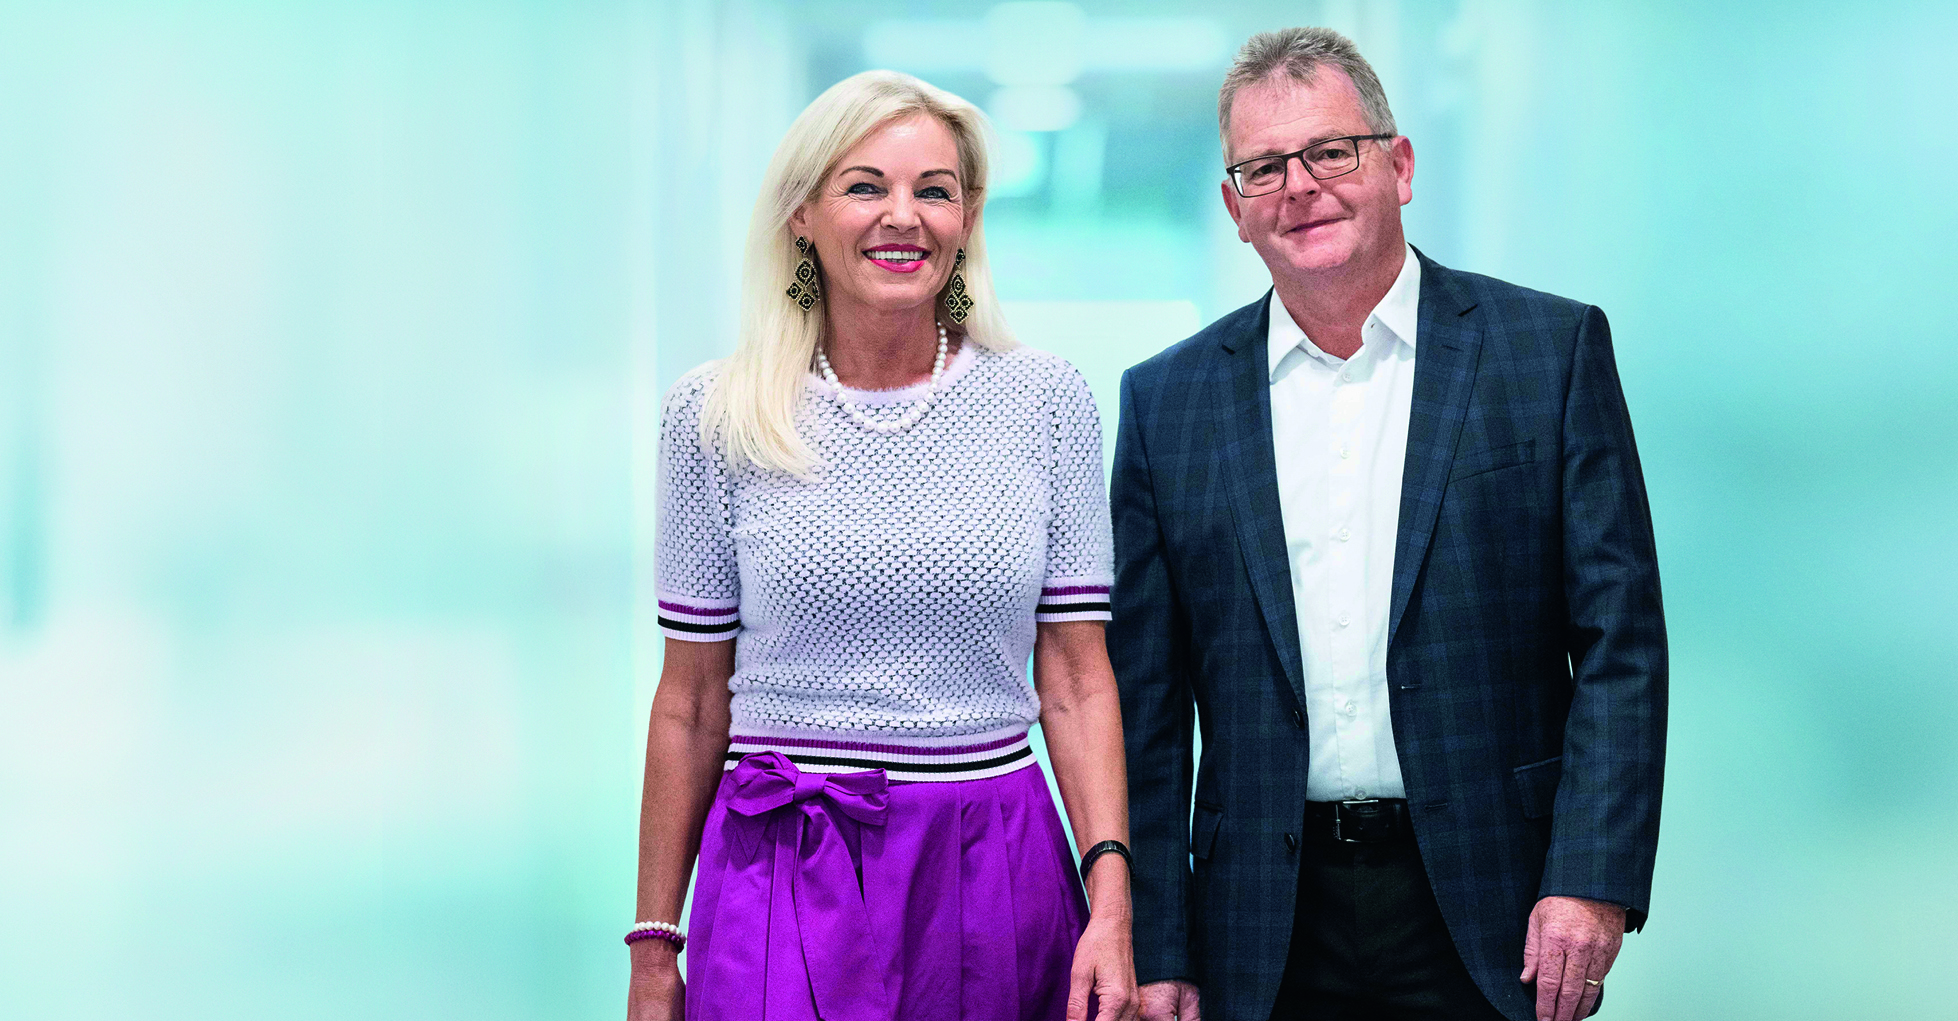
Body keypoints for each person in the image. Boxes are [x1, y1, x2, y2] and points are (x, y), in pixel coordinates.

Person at [1111, 27, 1666, 1021]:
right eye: (1263, 168)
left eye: (1331, 151)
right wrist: (1159, 944)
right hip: (1260, 923)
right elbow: (1144, 707)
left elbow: (1619, 645)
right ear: (1235, 209)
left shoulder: (1546, 352)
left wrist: (1592, 874)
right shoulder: (1167, 403)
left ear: (1398, 166)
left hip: (1496, 901)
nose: (1299, 186)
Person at [626, 70, 1139, 1021]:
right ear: (802, 214)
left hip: (991, 859)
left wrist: (1111, 902)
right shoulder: (714, 413)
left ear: (966, 217)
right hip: (779, 871)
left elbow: (1077, 679)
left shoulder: (1046, 400)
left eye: (933, 191)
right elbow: (690, 704)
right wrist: (655, 950)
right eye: (865, 186)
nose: (903, 216)